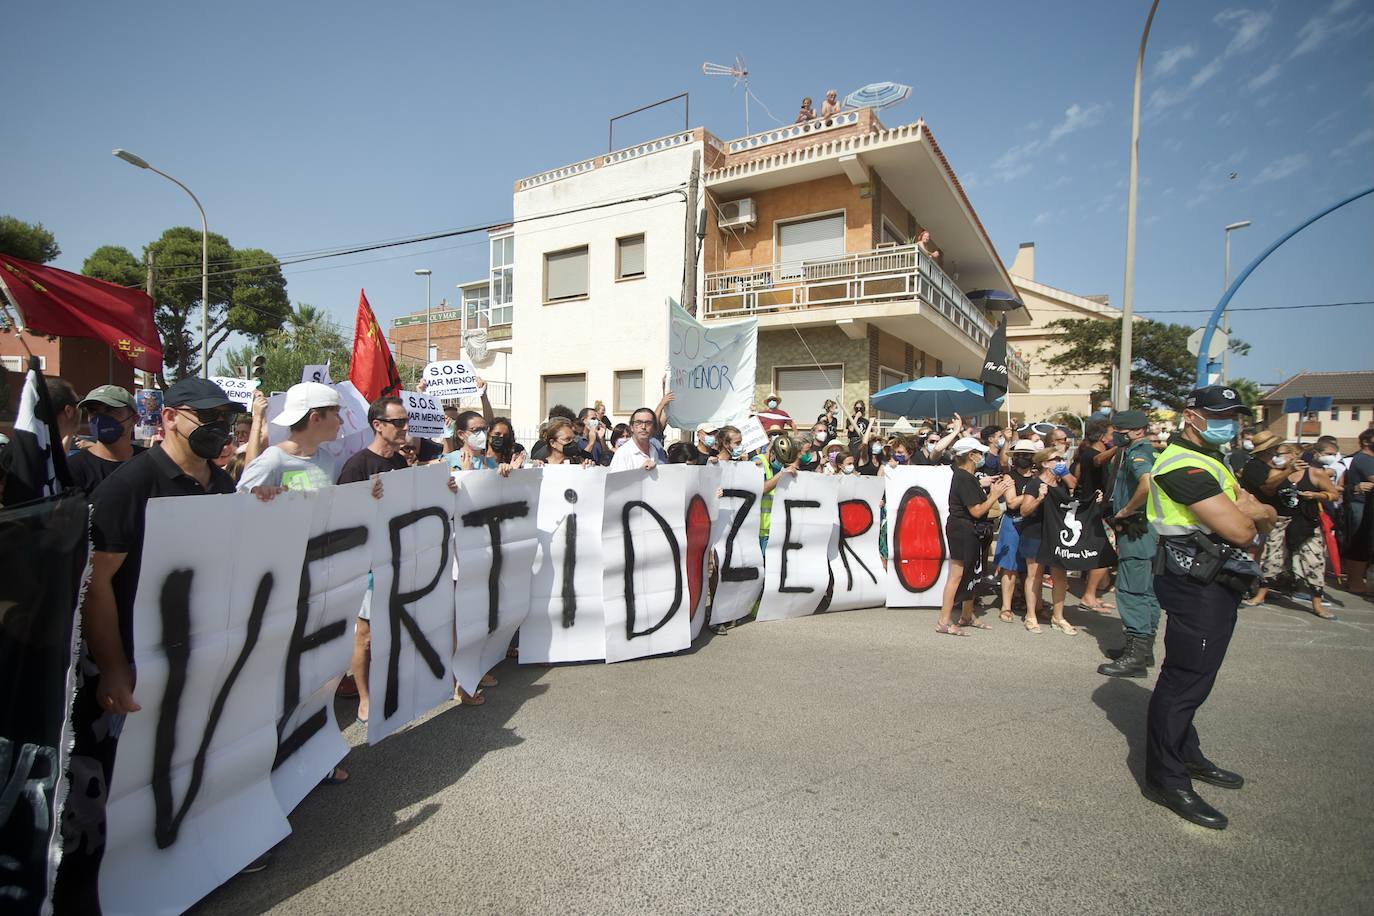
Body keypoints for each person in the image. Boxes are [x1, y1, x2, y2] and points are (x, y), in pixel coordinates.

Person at [55, 378, 250, 909]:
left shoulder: (220, 482)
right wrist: (113, 667)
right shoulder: (130, 485)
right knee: (117, 780)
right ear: (168, 418)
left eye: (224, 419)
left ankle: (186, 856)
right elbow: (94, 586)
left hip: (190, 651)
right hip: (130, 659)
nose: (218, 430)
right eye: (204, 418)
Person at [1143, 385, 1274, 830]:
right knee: (1184, 680)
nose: (1229, 423)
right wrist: (1252, 512)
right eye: (1219, 414)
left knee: (1197, 677)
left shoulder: (1214, 461)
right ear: (1190, 416)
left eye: (1235, 416)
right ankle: (1166, 777)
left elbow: (1264, 514)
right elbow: (1242, 529)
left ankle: (1186, 753)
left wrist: (1256, 512)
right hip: (1193, 583)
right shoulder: (1180, 466)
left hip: (1216, 582)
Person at [1243, 441, 1341, 618]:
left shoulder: (1315, 473)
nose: (1277, 457)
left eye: (1281, 454)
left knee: (1313, 561)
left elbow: (1334, 494)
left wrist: (1317, 495)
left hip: (1306, 522)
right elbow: (1268, 487)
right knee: (1271, 559)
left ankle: (1317, 603)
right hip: (1280, 521)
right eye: (1276, 454)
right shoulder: (1277, 473)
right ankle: (1261, 594)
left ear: (1294, 455)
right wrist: (1287, 471)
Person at [1098, 410, 1161, 677]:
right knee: (1146, 591)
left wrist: (1126, 511)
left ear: (1137, 431)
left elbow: (1146, 484)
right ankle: (1142, 651)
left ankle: (1135, 657)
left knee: (1132, 591)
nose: (1115, 436)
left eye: (1119, 432)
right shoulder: (1139, 450)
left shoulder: (1139, 453)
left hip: (1137, 531)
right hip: (1146, 532)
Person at [936, 438, 1011, 635]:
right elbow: (976, 511)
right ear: (971, 455)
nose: (982, 457)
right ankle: (944, 621)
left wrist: (985, 485)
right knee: (957, 575)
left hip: (968, 529)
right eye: (980, 453)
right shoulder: (963, 477)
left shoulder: (967, 477)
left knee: (971, 573)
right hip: (963, 530)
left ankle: (967, 615)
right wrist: (994, 494)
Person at [238, 383, 342, 494]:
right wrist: (259, 494)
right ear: (315, 418)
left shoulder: (327, 460)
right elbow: (239, 500)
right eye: (336, 414)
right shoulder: (272, 460)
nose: (341, 421)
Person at [1016, 447, 1076, 634]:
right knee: (1034, 574)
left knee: (1060, 575)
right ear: (1044, 463)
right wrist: (1040, 498)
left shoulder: (1061, 484)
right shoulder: (1035, 484)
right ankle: (1031, 615)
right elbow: (1024, 511)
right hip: (1034, 533)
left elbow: (1073, 494)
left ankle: (1058, 617)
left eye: (1061, 458)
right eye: (1055, 459)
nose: (1060, 461)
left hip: (1056, 535)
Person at [1074, 419, 1118, 614]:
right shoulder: (1090, 454)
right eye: (1111, 434)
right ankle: (1089, 595)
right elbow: (1098, 461)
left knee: (1104, 551)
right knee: (1104, 551)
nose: (1113, 437)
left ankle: (1095, 591)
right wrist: (1120, 447)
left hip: (1101, 510)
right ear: (1101, 436)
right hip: (1093, 511)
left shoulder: (1096, 453)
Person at [67, 385, 143, 496]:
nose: (100, 419)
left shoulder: (149, 461)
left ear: (134, 419)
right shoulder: (74, 468)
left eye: (110, 410)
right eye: (93, 411)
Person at [993, 440, 1039, 622]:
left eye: (1026, 455)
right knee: (1009, 567)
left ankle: (1033, 606)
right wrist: (1033, 492)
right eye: (1018, 455)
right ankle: (1006, 606)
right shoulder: (1009, 477)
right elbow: (1011, 502)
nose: (1021, 458)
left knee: (1032, 569)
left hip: (1032, 523)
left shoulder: (1037, 476)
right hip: (1012, 523)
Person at [1340, 428, 1374, 596]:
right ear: (1367, 442)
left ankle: (1356, 581)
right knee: (1360, 542)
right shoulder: (1365, 459)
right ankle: (1355, 582)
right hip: (1362, 506)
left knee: (1360, 543)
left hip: (1362, 505)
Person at [609, 406, 668, 471]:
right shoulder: (623, 453)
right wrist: (640, 471)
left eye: (648, 423)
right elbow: (616, 481)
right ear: (631, 427)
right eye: (638, 423)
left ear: (654, 428)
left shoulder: (654, 451)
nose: (643, 427)